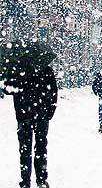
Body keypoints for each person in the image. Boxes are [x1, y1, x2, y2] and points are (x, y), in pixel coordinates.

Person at [5, 57, 58, 188]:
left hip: (24, 116)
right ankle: (40, 179)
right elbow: (53, 92)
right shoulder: (46, 70)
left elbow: (8, 89)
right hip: (41, 115)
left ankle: (25, 181)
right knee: (40, 147)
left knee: (25, 150)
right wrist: (49, 111)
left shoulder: (18, 70)